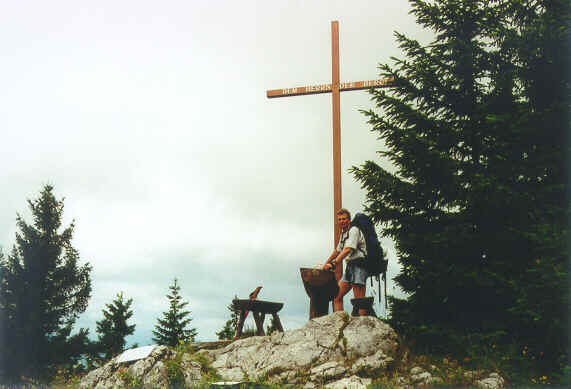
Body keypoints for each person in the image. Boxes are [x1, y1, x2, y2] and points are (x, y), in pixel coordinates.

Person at [322, 208, 368, 316]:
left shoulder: (354, 230)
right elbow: (337, 250)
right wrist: (325, 264)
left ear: (349, 219)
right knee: (336, 296)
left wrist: (333, 264)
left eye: (344, 219)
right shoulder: (344, 233)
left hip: (359, 265)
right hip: (350, 266)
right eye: (340, 219)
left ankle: (363, 325)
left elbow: (348, 249)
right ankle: (340, 324)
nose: (342, 221)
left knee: (359, 300)